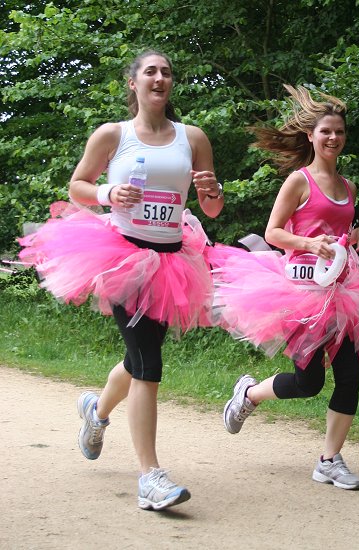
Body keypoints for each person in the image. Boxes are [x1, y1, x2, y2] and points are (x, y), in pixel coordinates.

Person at [19, 49, 224, 510]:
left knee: (138, 360)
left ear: (172, 84)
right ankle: (150, 476)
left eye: (167, 72)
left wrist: (211, 193)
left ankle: (97, 410)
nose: (159, 78)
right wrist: (109, 192)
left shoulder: (192, 138)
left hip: (174, 260)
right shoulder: (114, 134)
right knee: (148, 363)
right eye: (150, 71)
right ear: (133, 83)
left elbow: (211, 207)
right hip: (123, 257)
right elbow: (78, 185)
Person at [210, 85, 359, 490]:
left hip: (343, 293)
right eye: (325, 131)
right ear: (311, 136)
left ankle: (329, 460)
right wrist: (309, 243)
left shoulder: (349, 186)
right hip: (300, 292)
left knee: (349, 376)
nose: (333, 138)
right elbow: (273, 232)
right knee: (308, 383)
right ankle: (249, 395)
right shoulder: (299, 180)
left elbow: (342, 226)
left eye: (339, 132)